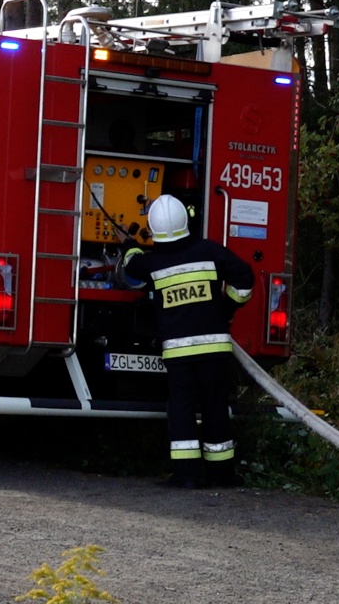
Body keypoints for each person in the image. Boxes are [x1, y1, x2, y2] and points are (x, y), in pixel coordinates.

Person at [116, 194, 253, 488]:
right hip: (215, 348)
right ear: (186, 221)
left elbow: (132, 267)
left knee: (182, 409)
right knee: (216, 407)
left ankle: (186, 475)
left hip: (179, 353)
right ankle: (222, 474)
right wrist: (225, 308)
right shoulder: (210, 251)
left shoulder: (153, 262)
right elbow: (245, 277)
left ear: (153, 230)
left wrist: (128, 243)